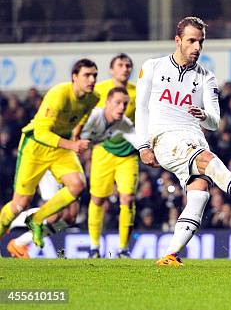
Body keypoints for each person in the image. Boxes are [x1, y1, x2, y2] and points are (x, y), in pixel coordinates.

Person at [135, 16, 231, 267]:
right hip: (166, 139)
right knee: (209, 161)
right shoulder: (152, 67)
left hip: (194, 139)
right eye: (191, 41)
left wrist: (205, 115)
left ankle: (169, 255)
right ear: (177, 40)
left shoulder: (206, 77)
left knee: (200, 194)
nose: (197, 47)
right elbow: (140, 108)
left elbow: (215, 122)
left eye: (201, 42)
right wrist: (142, 146)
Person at [6, 87, 137, 258]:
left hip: (67, 163)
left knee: (70, 218)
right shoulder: (92, 117)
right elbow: (64, 131)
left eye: (125, 104)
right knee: (54, 216)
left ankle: (18, 243)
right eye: (118, 103)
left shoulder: (121, 124)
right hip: (51, 157)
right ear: (107, 103)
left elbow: (139, 141)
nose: (122, 107)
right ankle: (11, 222)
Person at [0, 59, 99, 248]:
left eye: (94, 75)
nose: (92, 79)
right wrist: (72, 144)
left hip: (60, 149)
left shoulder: (92, 97)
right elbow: (41, 132)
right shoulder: (59, 94)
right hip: (35, 147)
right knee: (19, 204)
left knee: (77, 185)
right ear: (74, 77)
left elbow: (83, 115)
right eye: (87, 75)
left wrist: (77, 133)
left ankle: (37, 219)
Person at [87, 53, 138, 259]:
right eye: (120, 65)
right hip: (103, 151)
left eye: (128, 65)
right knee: (98, 199)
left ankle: (123, 248)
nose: (125, 68)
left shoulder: (138, 91)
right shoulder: (98, 90)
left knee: (128, 198)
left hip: (128, 154)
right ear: (111, 69)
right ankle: (94, 247)